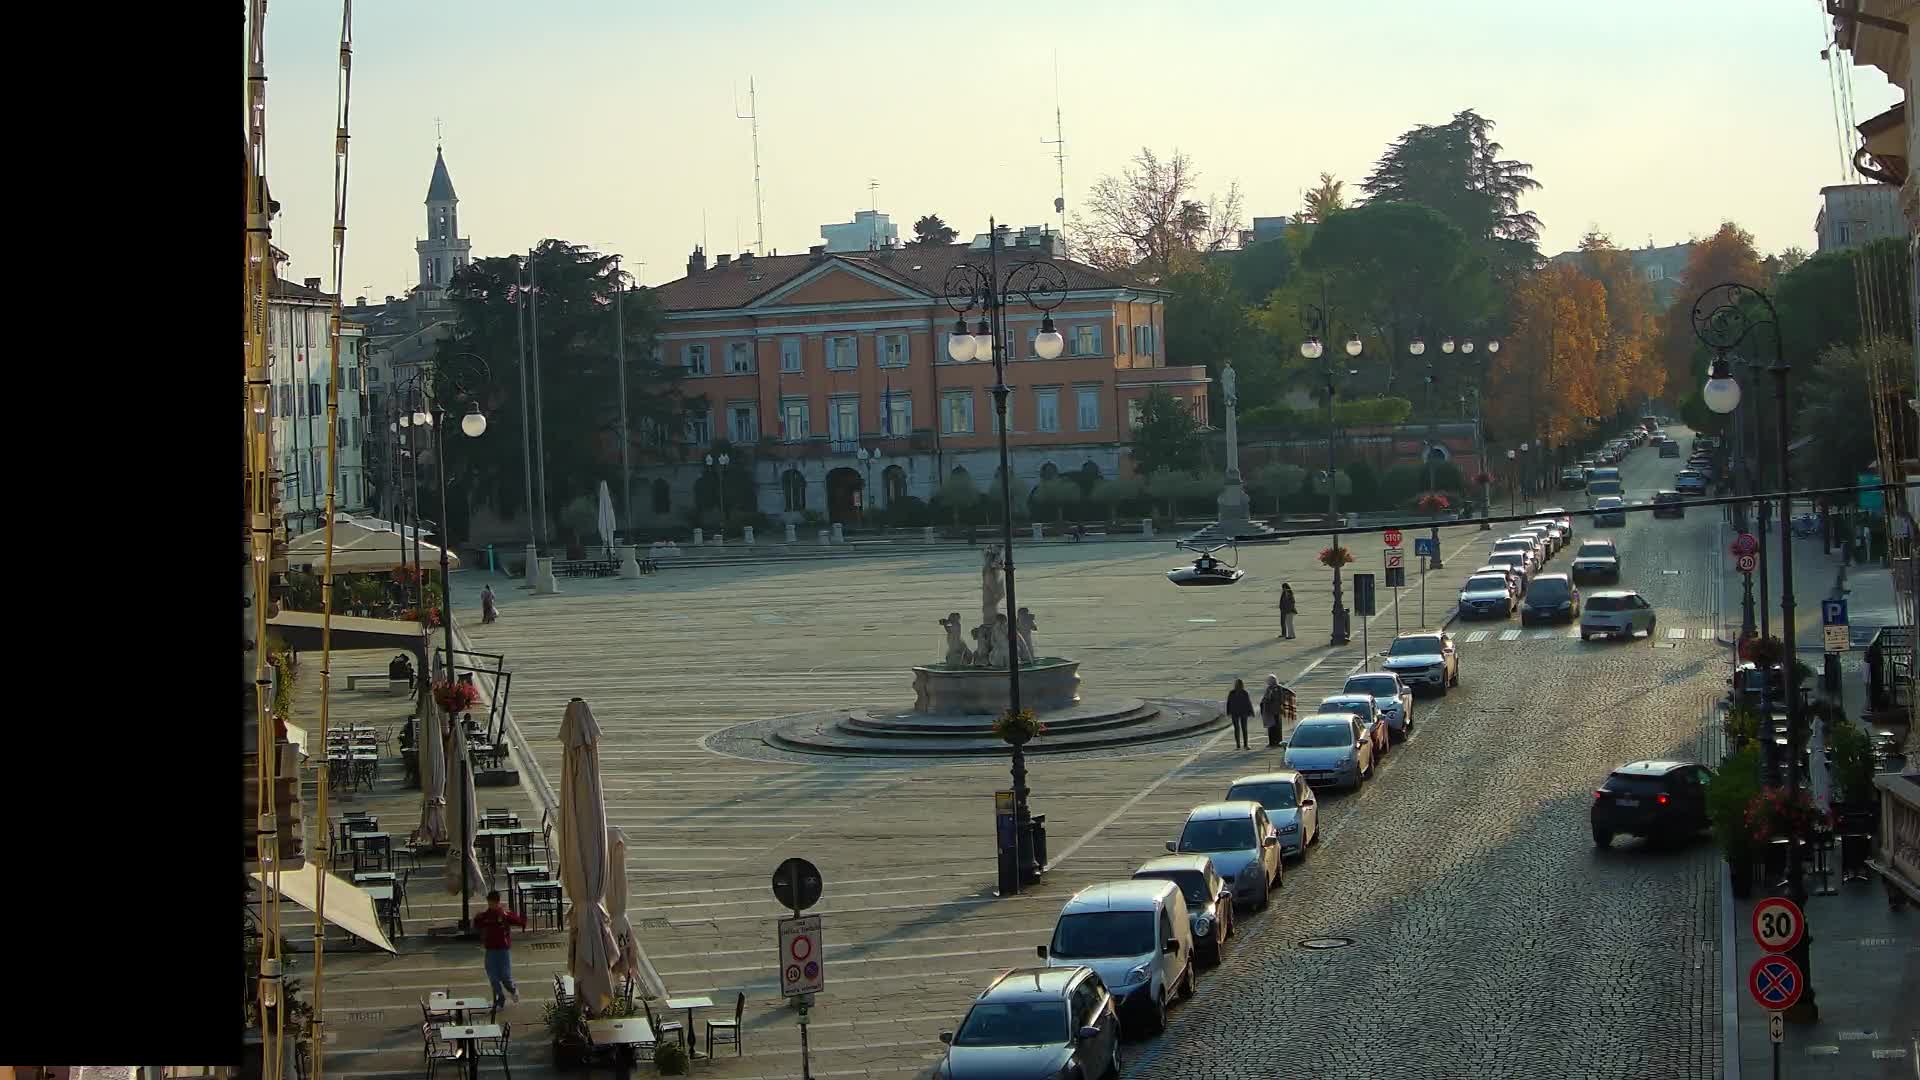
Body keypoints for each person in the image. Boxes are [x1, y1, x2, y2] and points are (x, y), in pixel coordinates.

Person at [474, 889, 526, 1009]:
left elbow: (518, 921)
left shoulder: (504, 915)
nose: (491, 905)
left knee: (505, 976)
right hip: (490, 950)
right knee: (493, 978)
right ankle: (500, 999)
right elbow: (477, 923)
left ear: (498, 902)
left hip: (503, 950)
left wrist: (522, 919)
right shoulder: (485, 916)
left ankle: (513, 990)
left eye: (493, 903)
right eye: (489, 903)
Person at [1259, 674, 1291, 747]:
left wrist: (1281, 702)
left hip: (1277, 710)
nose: (1268, 682)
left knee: (1277, 727)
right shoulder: (1269, 688)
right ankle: (1272, 742)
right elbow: (1266, 698)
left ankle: (1278, 742)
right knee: (1271, 727)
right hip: (1269, 710)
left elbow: (1286, 695)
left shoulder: (1279, 688)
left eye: (1269, 680)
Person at [1226, 679, 1254, 750]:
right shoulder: (1244, 692)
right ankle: (1245, 745)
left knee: (1237, 729)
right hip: (1242, 712)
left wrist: (1228, 712)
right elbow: (1248, 703)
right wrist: (1251, 712)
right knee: (1243, 728)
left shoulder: (1232, 692)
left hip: (1236, 712)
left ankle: (1239, 746)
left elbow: (1228, 703)